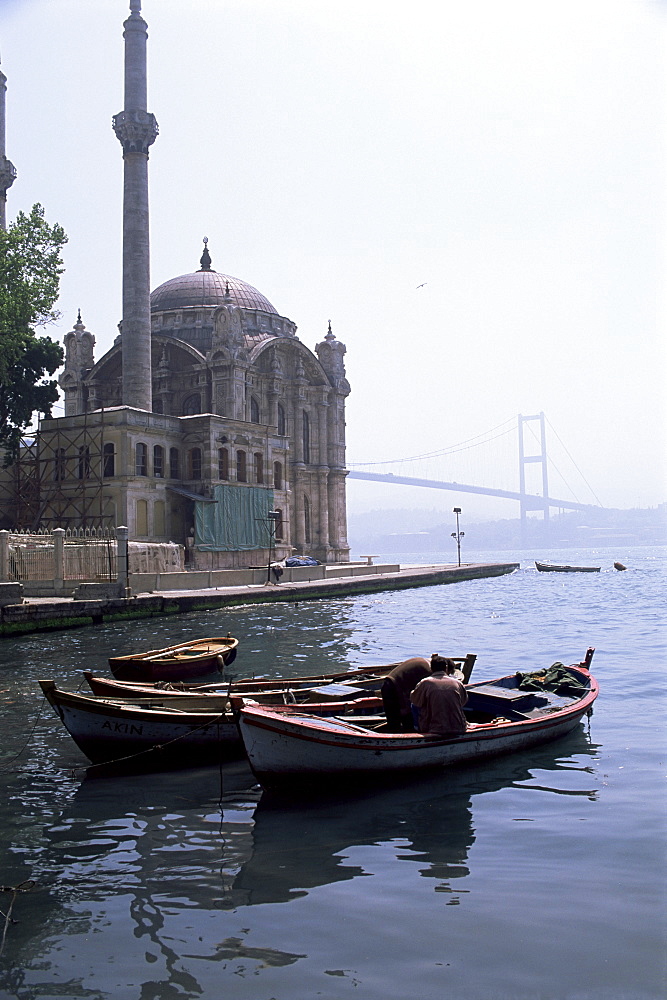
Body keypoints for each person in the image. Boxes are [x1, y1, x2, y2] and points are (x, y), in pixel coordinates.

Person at [410, 658, 468, 737]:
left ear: (431, 668)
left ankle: (416, 729)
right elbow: (463, 701)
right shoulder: (457, 683)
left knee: (414, 705)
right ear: (446, 668)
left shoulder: (425, 682)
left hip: (433, 729)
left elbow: (414, 700)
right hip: (459, 728)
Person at [381, 656, 431, 732]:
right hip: (394, 689)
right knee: (403, 720)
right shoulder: (428, 672)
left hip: (387, 684)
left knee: (393, 721)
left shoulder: (424, 663)